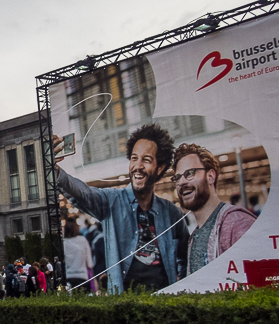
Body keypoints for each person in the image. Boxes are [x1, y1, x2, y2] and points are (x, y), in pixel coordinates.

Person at [54, 125, 188, 293]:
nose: (137, 166)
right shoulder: (112, 201)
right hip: (124, 307)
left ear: (160, 167)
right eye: (134, 158)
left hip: (163, 308)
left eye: (146, 160)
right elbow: (84, 194)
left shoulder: (172, 213)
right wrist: (56, 171)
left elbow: (185, 258)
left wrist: (183, 289)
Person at [172, 143, 258, 274]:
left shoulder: (237, 224)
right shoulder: (195, 236)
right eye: (178, 177)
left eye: (190, 173)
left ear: (210, 176)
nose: (182, 182)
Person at [63, 220, 95, 291]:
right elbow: (90, 263)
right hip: (82, 276)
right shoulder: (82, 240)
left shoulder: (63, 243)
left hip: (68, 277)